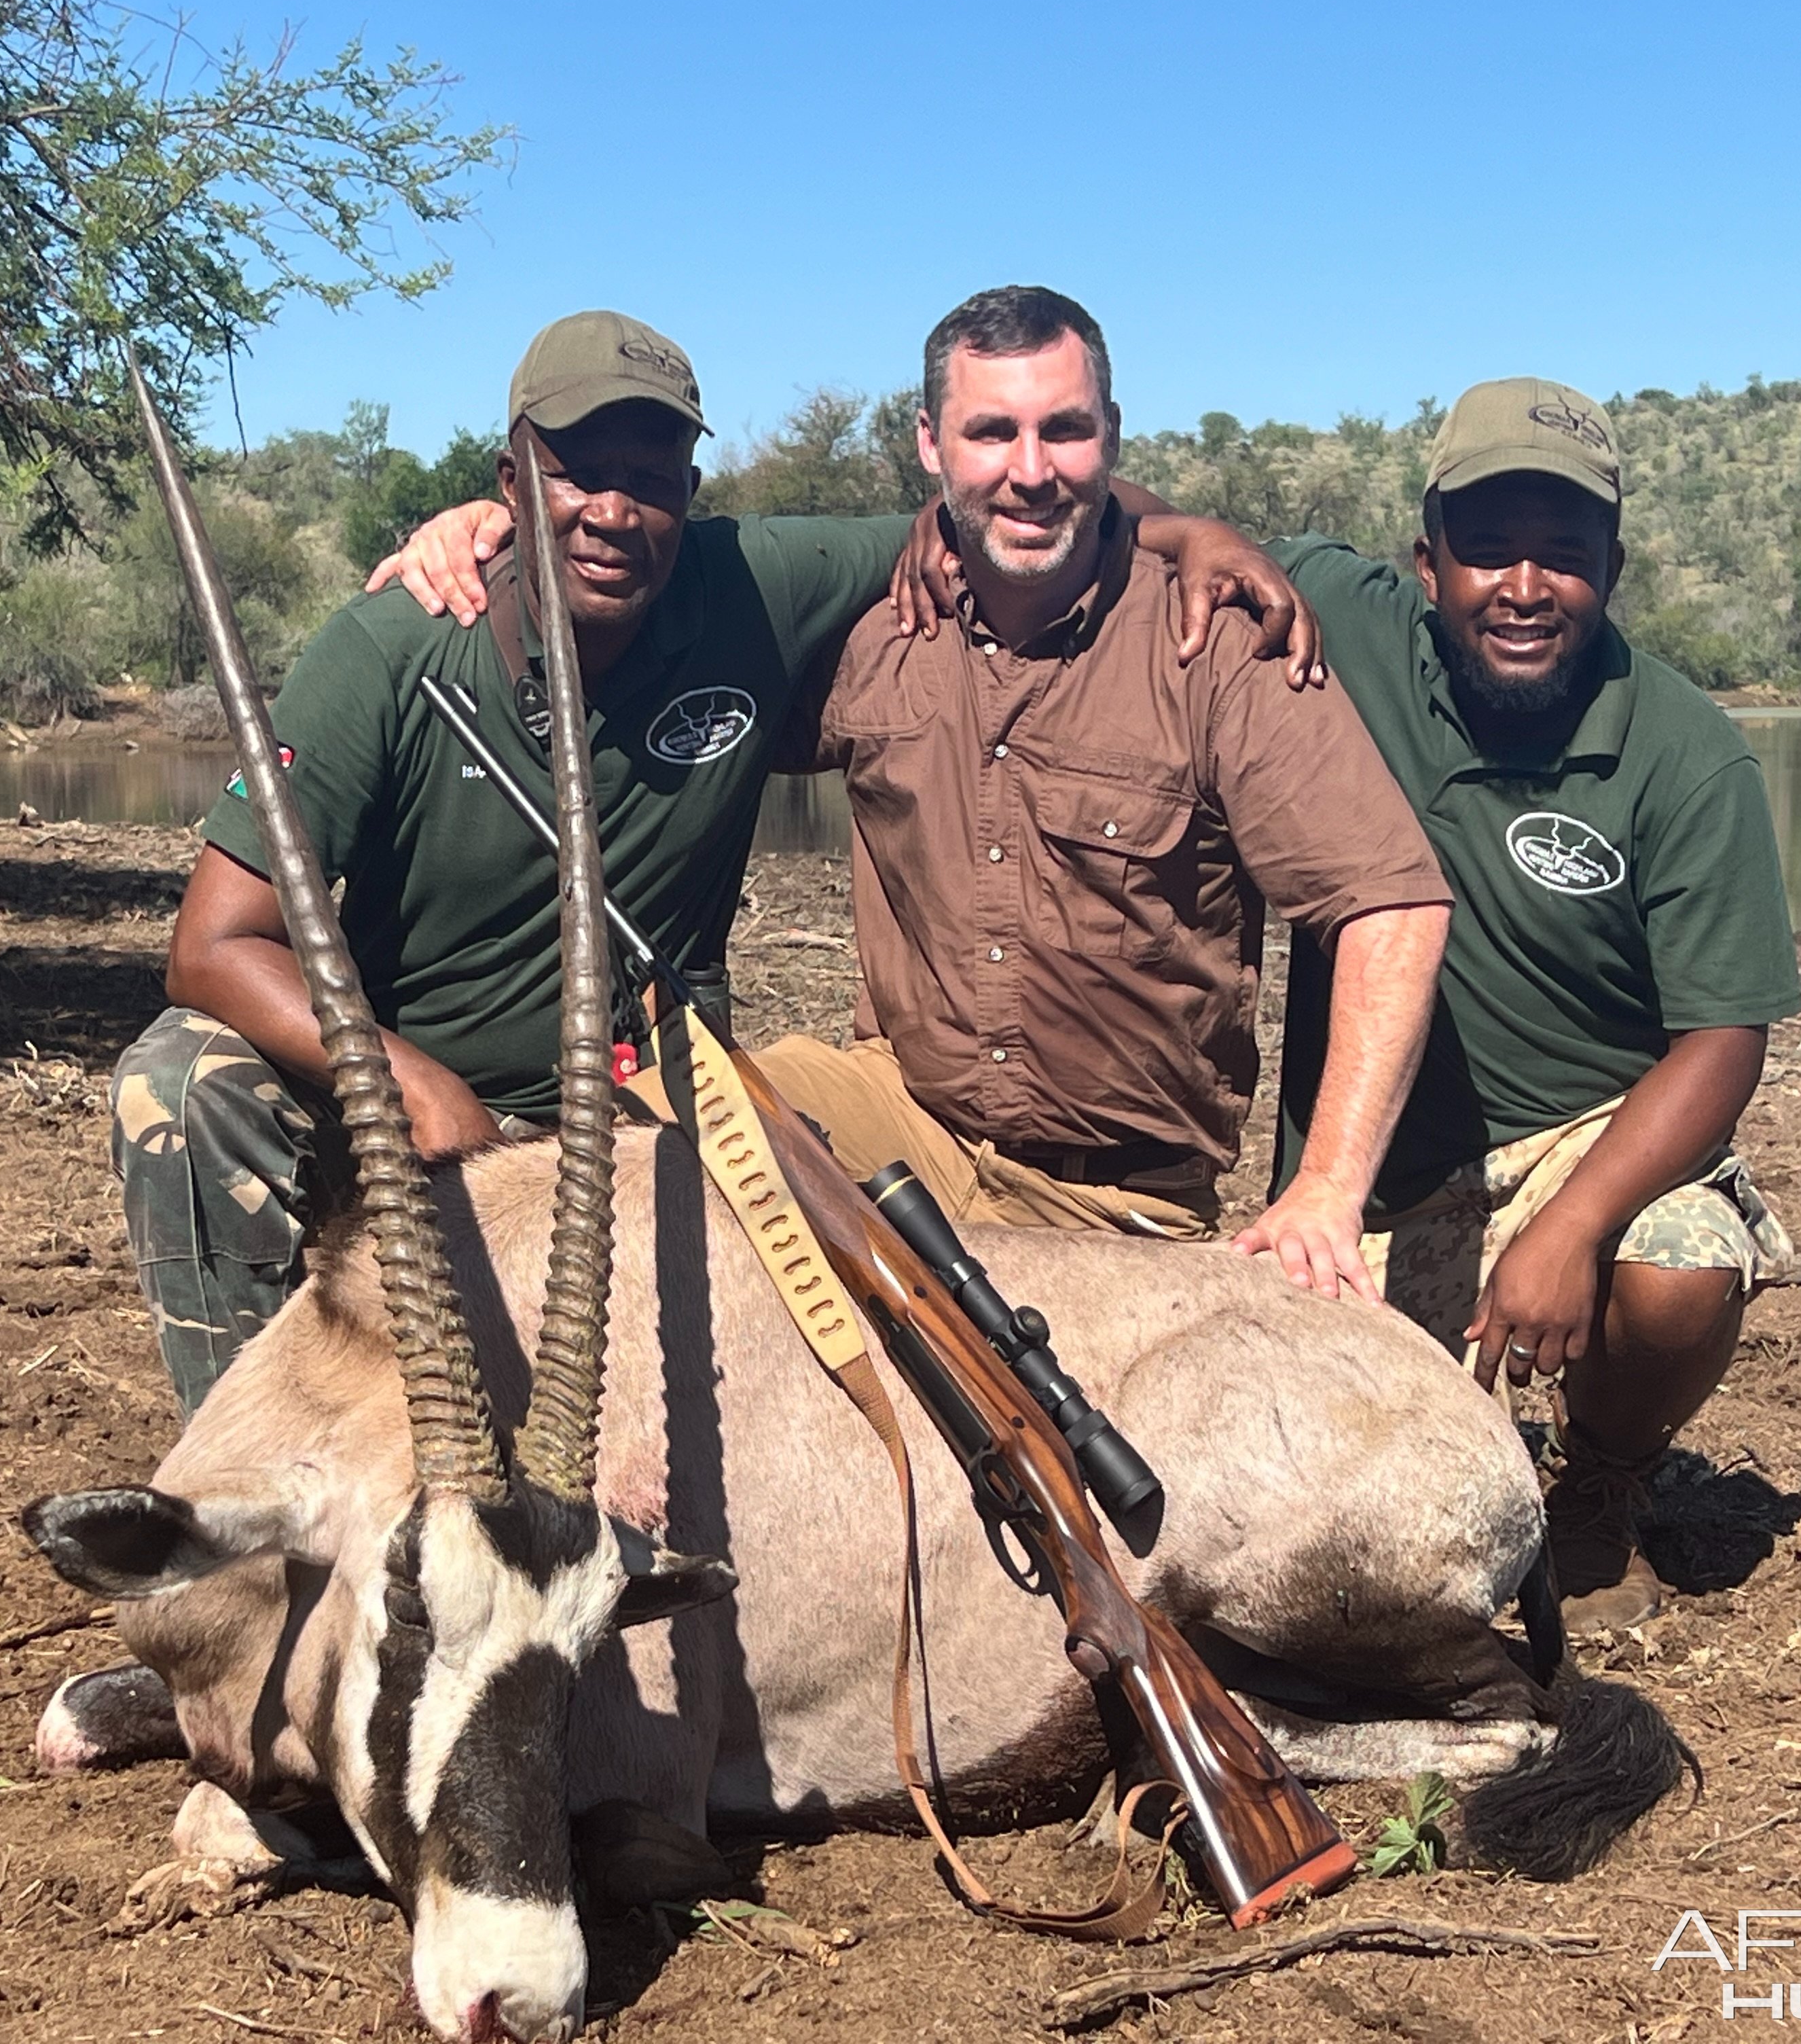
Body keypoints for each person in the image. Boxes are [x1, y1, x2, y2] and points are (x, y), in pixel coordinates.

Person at [120, 308, 1308, 1414]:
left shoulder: (752, 583)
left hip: (641, 1101)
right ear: (509, 480)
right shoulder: (385, 650)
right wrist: (417, 1085)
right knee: (182, 1084)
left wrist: (1181, 529)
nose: (612, 511)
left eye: (650, 482)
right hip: (415, 1100)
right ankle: (249, 1483)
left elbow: (1018, 495)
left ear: (689, 493)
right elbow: (214, 947)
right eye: (576, 471)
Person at [376, 287, 1453, 1293]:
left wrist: (1327, 1189)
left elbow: (1390, 906)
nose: (1031, 470)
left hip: (1114, 1192)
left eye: (1064, 431)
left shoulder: (1212, 640)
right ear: (932, 445)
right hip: (898, 1116)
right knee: (618, 1152)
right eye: (991, 433)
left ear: (1111, 438)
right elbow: (645, 606)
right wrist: (496, 530)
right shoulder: (879, 632)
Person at [1256, 378, 1801, 1627]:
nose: (1523, 586)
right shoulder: (1350, 624)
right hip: (1392, 1167)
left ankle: (1603, 1480)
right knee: (1341, 1503)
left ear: (1612, 568)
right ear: (1426, 560)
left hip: (1584, 1141)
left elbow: (1724, 1038)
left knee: (1678, 1270)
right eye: (1487, 549)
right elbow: (1167, 537)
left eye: (1563, 556)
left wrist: (1575, 1226)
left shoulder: (1686, 750)